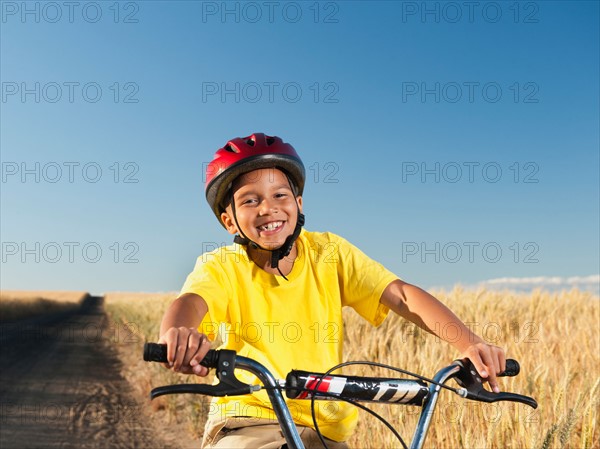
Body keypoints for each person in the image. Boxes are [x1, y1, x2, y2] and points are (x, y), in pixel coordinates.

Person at [158, 133, 506, 449]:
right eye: (249, 201)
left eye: (280, 195)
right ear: (229, 220)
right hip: (251, 419)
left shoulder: (330, 254)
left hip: (326, 431)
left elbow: (400, 295)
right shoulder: (222, 267)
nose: (268, 208)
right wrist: (180, 334)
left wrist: (470, 343)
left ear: (299, 204)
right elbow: (191, 302)